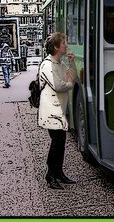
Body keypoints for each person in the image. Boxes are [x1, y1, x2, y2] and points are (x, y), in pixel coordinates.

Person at [38, 32, 76, 190]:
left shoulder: (60, 63)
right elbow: (59, 85)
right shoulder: (47, 65)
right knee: (56, 142)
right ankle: (50, 174)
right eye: (63, 43)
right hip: (50, 110)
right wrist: (69, 83)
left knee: (61, 142)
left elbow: (72, 78)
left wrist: (72, 64)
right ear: (55, 47)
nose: (66, 45)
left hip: (59, 109)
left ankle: (58, 172)